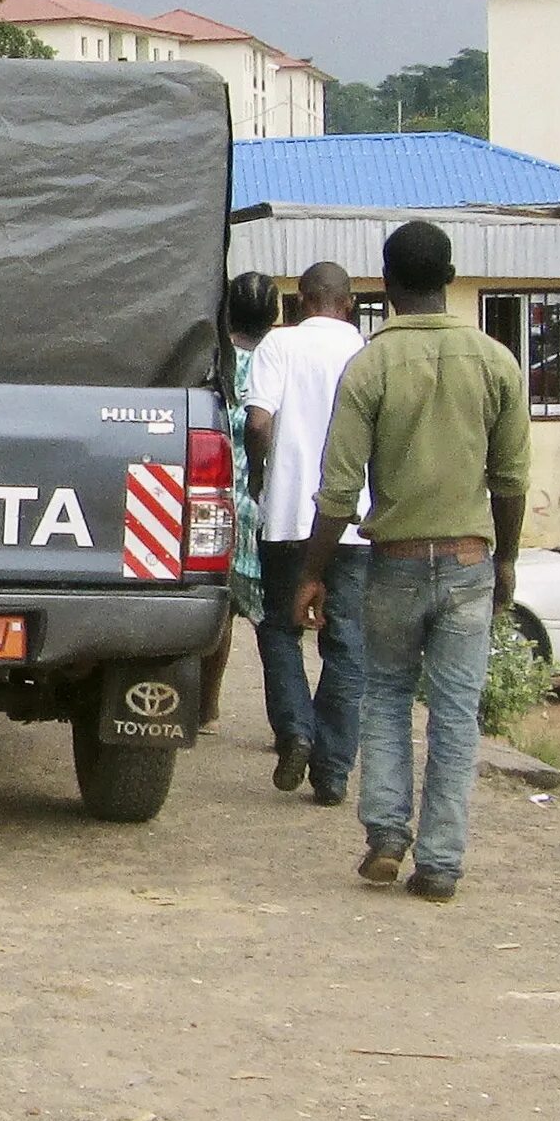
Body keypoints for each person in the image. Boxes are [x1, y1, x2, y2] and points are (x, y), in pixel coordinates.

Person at [298, 221, 530, 904]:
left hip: (392, 563)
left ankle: (387, 837)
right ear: (450, 280)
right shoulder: (495, 362)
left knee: (387, 696)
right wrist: (507, 560)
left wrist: (312, 572)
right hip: (467, 561)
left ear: (387, 285)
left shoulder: (369, 366)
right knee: (456, 714)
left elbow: (338, 488)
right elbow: (511, 479)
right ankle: (440, 863)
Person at [247, 260, 372, 805]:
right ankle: (334, 770)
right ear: (348, 304)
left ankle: (296, 730)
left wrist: (262, 477)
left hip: (288, 516)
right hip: (356, 520)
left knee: (279, 626)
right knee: (346, 642)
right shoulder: (367, 352)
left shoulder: (277, 345)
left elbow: (258, 421)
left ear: (299, 301)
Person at [198, 273, 271, 742]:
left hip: (215, 494)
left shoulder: (213, 363)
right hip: (260, 500)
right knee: (268, 618)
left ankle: (207, 705)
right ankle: (285, 714)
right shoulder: (275, 361)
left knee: (218, 610)